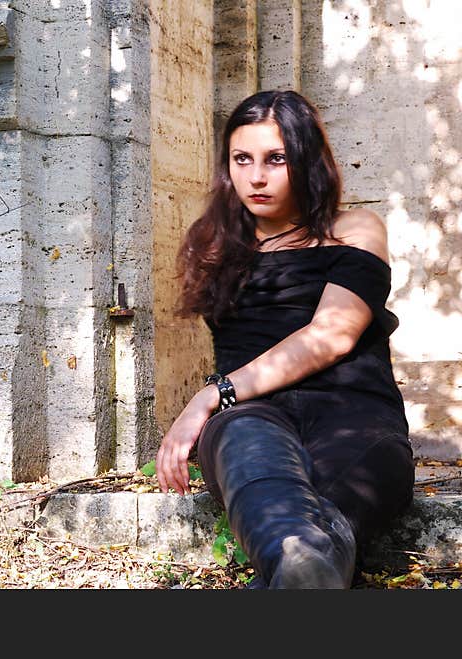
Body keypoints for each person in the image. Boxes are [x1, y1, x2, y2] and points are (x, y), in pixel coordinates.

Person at [155, 89, 414, 589]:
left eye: (276, 159)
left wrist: (210, 396)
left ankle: (300, 569)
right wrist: (224, 406)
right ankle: (302, 568)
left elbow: (332, 335)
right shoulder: (211, 242)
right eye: (241, 159)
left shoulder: (356, 229)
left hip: (354, 413)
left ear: (307, 160)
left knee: (317, 519)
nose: (256, 176)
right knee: (265, 480)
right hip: (251, 417)